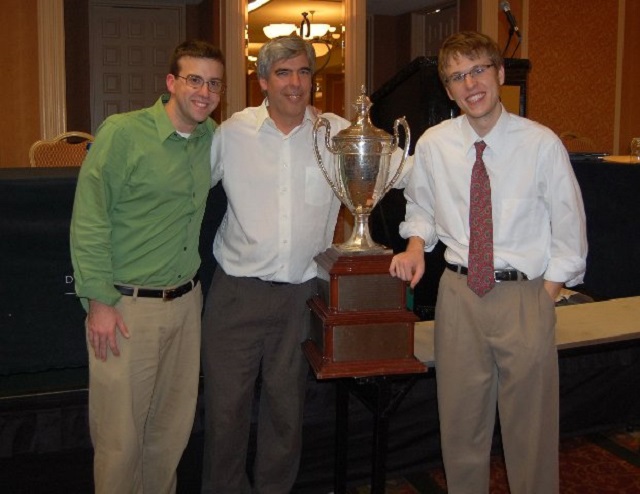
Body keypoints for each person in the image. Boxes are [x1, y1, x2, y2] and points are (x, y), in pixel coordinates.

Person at [201, 35, 409, 494]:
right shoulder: (232, 133)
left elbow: (407, 170)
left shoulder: (338, 134)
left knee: (285, 415)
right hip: (236, 295)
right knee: (224, 415)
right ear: (262, 81)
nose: (295, 83)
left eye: (304, 73)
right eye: (283, 73)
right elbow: (187, 185)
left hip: (300, 298)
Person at [389, 31, 587, 494]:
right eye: (457, 76)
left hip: (525, 297)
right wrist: (417, 245)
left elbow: (571, 231)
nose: (470, 83)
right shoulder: (435, 145)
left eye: (478, 69)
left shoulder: (541, 144)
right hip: (458, 297)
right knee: (460, 428)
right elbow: (420, 207)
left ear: (499, 74)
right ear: (448, 89)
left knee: (531, 432)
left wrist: (545, 296)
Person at [70, 40, 225, 494]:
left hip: (185, 303)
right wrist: (99, 301)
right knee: (120, 442)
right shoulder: (122, 133)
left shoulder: (210, 138)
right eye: (194, 79)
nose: (204, 91)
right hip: (126, 309)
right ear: (171, 83)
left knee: (169, 435)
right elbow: (90, 219)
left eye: (214, 83)